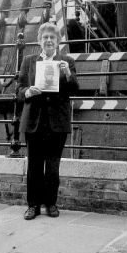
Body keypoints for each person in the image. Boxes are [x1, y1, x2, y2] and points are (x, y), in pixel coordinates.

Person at [17, 22, 79, 220]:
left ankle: (50, 203)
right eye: (45, 38)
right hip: (34, 121)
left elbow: (75, 90)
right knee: (34, 166)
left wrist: (68, 73)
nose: (49, 41)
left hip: (56, 123)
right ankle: (32, 205)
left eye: (53, 38)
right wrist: (27, 91)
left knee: (53, 167)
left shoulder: (67, 61)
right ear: (40, 41)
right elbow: (18, 91)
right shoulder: (28, 61)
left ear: (58, 42)